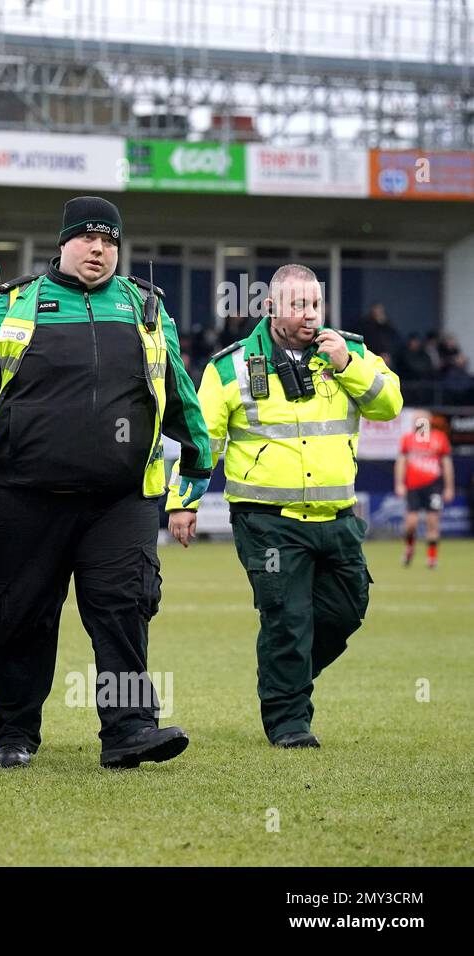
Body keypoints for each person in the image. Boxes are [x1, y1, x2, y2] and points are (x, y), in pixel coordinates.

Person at [0, 196, 213, 770]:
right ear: (64, 243)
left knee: (123, 612)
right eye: (89, 239)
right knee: (21, 618)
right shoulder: (19, 304)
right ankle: (14, 734)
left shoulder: (145, 307)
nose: (99, 249)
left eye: (110, 241)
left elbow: (177, 392)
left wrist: (196, 462)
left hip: (119, 502)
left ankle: (129, 732)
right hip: (23, 496)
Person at [168, 263, 402, 748]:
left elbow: (389, 405)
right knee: (288, 619)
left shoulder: (351, 352)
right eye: (298, 305)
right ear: (270, 306)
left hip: (337, 518)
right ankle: (289, 722)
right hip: (267, 521)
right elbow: (202, 442)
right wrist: (184, 503)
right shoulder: (229, 366)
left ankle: (283, 674)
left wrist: (347, 365)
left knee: (346, 611)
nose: (309, 314)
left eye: (315, 304)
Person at [395, 409, 454, 569]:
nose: (419, 423)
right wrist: (399, 484)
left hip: (434, 486)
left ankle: (432, 559)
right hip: (413, 487)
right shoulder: (408, 439)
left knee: (432, 522)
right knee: (411, 523)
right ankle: (409, 548)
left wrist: (449, 487)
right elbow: (401, 462)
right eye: (416, 420)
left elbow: (447, 464)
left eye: (422, 420)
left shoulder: (439, 438)